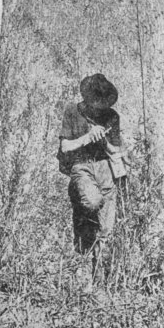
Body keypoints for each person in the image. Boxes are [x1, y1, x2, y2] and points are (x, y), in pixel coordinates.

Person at [58, 73, 125, 288]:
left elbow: (116, 149)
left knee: (107, 227)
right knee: (91, 201)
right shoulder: (72, 112)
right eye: (96, 103)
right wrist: (87, 137)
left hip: (105, 166)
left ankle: (99, 280)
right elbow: (65, 147)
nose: (99, 108)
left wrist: (103, 138)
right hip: (81, 164)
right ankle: (84, 234)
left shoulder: (112, 117)